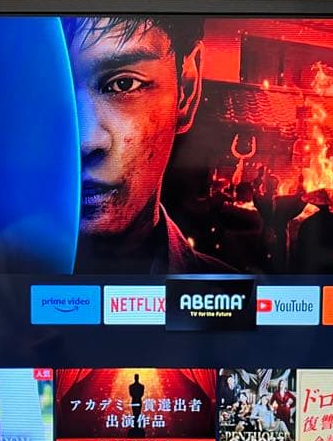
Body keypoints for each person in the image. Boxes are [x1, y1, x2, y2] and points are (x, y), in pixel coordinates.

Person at [62, 15, 232, 274]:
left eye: (123, 84)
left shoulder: (232, 290)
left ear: (186, 90)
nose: (85, 141)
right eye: (45, 90)